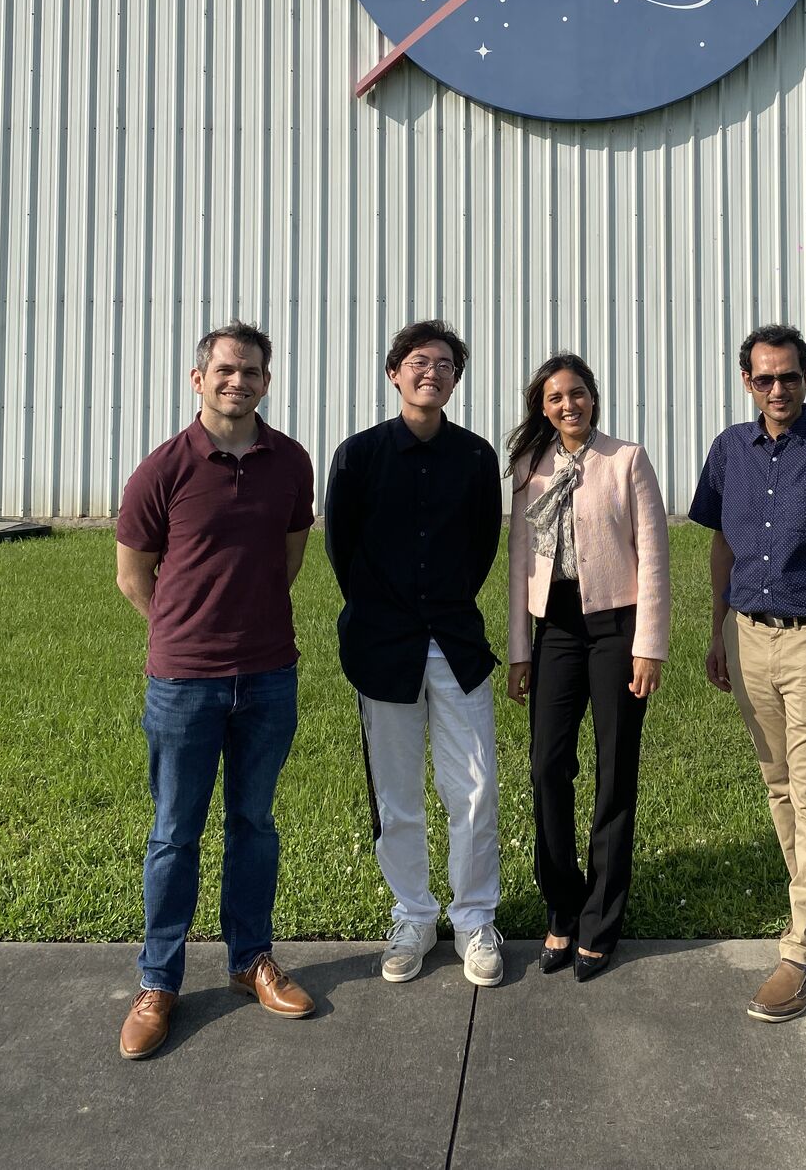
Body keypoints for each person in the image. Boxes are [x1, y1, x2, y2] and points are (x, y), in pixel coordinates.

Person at [114, 322, 316, 1060]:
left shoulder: (291, 462)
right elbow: (133, 575)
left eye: (253, 371)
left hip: (268, 675)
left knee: (254, 824)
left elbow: (287, 560)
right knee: (174, 832)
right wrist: (183, 631)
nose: (240, 381)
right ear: (198, 379)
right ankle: (158, 981)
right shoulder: (161, 468)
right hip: (183, 683)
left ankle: (248, 959)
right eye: (226, 370)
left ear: (266, 381)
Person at [690, 323, 806, 1022]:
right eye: (765, 378)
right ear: (747, 381)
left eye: (790, 376)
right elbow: (721, 543)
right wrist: (716, 629)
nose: (778, 389)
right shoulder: (727, 452)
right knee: (779, 783)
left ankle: (805, 950)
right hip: (748, 637)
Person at [324, 320, 505, 987]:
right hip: (383, 647)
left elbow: (483, 543)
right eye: (418, 361)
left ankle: (475, 918)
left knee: (476, 788)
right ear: (394, 372)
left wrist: (443, 603)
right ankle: (414, 915)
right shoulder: (359, 455)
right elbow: (342, 546)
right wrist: (381, 615)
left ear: (456, 379)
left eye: (445, 364)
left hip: (456, 642)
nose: (432, 372)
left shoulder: (477, 458)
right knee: (397, 796)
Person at [506, 353, 670, 981]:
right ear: (541, 407)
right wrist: (520, 650)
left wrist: (648, 645)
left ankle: (603, 918)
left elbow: (653, 557)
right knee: (548, 765)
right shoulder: (531, 468)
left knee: (614, 765)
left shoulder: (626, 459)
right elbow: (521, 560)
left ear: (593, 399)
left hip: (616, 626)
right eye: (555, 398)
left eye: (577, 394)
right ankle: (563, 904)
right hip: (555, 629)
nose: (567, 405)